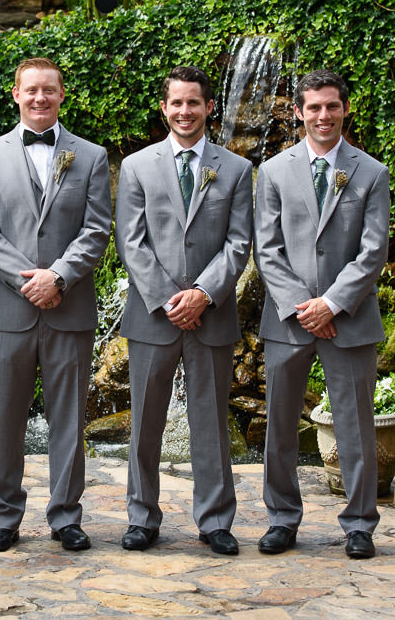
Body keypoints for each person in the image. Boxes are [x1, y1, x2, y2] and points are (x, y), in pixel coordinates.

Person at [0, 57, 111, 553]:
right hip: (8, 308)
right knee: (5, 416)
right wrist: (25, 279)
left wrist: (60, 276)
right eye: (31, 90)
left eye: (49, 90)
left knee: (68, 416)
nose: (40, 99)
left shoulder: (91, 157)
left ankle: (66, 515)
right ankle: (4, 515)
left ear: (62, 95)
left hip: (68, 307)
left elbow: (96, 230)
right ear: (15, 94)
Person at [115, 66, 252, 554]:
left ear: (209, 107)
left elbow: (239, 244)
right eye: (176, 103)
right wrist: (170, 299)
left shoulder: (235, 169)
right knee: (145, 421)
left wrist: (202, 294)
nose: (184, 111)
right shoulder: (137, 166)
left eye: (193, 103)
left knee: (211, 421)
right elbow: (130, 241)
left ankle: (215, 520)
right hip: (154, 314)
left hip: (210, 314)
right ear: (164, 107)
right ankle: (141, 516)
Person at [254, 69, 390, 559]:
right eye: (313, 107)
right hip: (289, 321)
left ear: (345, 109)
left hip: (348, 318)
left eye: (331, 106)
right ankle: (282, 519)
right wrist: (304, 307)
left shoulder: (371, 172)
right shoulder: (273, 171)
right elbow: (266, 249)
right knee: (281, 424)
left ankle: (359, 524)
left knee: (355, 424)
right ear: (298, 113)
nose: (323, 116)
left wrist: (331, 303)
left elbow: (373, 250)